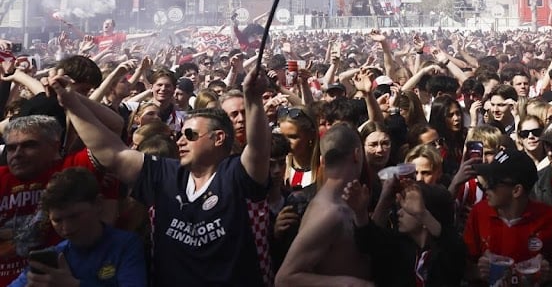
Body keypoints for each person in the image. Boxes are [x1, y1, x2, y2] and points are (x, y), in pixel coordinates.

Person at [51, 65, 272, 287]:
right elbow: (113, 153)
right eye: (180, 134)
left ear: (218, 138)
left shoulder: (237, 175)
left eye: (190, 134)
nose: (180, 141)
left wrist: (253, 100)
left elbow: (259, 150)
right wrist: (71, 103)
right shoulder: (165, 174)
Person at [0, 116, 119, 286]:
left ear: (54, 146)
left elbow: (113, 125)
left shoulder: (72, 170)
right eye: (11, 148)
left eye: (29, 145)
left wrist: (68, 99)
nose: (17, 154)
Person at [10, 167, 146, 287]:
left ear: (98, 204)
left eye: (74, 216)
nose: (66, 228)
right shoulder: (54, 256)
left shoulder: (125, 245)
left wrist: (73, 284)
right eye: (57, 220)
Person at [276, 124, 373, 286]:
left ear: (322, 160)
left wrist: (384, 201)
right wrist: (352, 284)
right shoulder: (329, 212)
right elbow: (284, 278)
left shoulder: (345, 200)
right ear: (357, 154)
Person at [464, 147, 552, 284]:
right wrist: (479, 271)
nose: (486, 187)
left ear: (516, 190)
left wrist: (547, 273)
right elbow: (462, 267)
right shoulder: (478, 213)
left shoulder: (550, 218)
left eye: (493, 182)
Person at [345, 180, 466, 287]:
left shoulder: (446, 253)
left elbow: (454, 249)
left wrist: (423, 215)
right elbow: (368, 240)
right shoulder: (397, 246)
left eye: (408, 208)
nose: (399, 212)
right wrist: (360, 213)